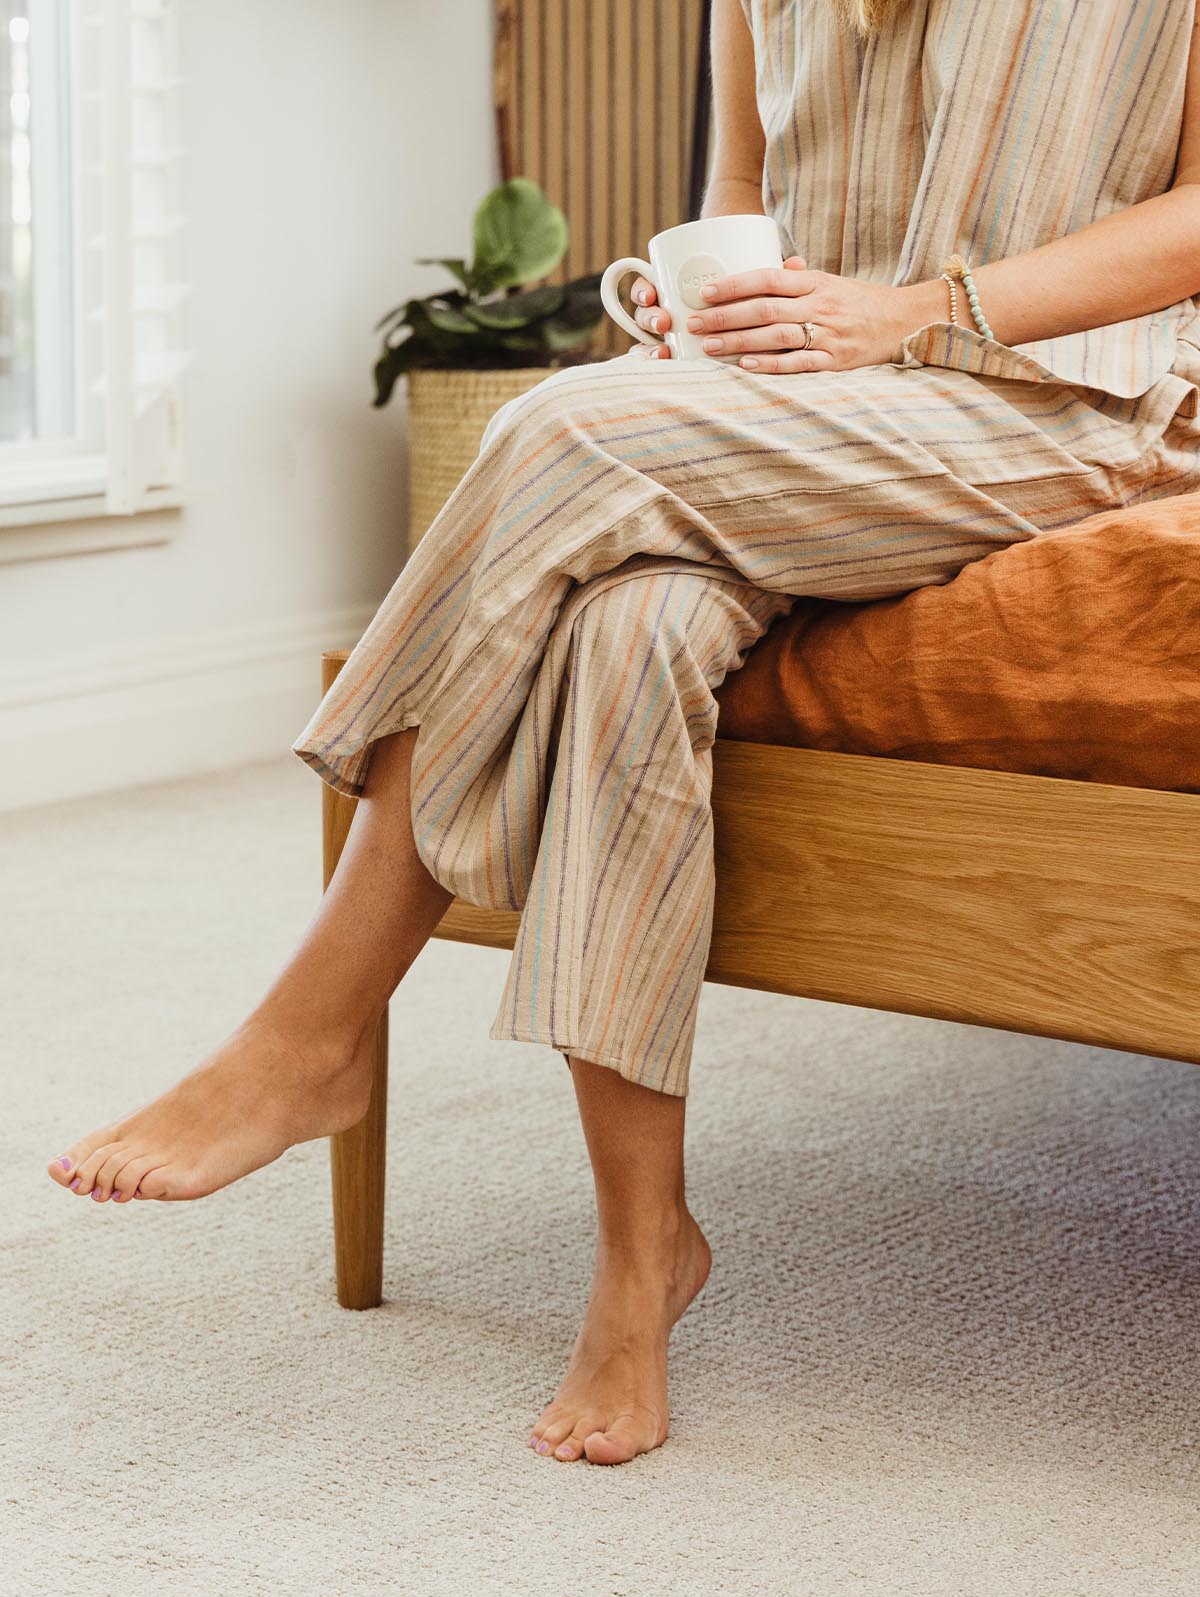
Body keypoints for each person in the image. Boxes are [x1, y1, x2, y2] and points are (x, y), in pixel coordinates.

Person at [47, 0, 1200, 1467]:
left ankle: (312, 1027)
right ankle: (641, 1253)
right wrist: (697, 303)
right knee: (626, 627)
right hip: (817, 408)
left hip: (1076, 406)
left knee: (560, 432)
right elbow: (742, 202)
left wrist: (923, 307)